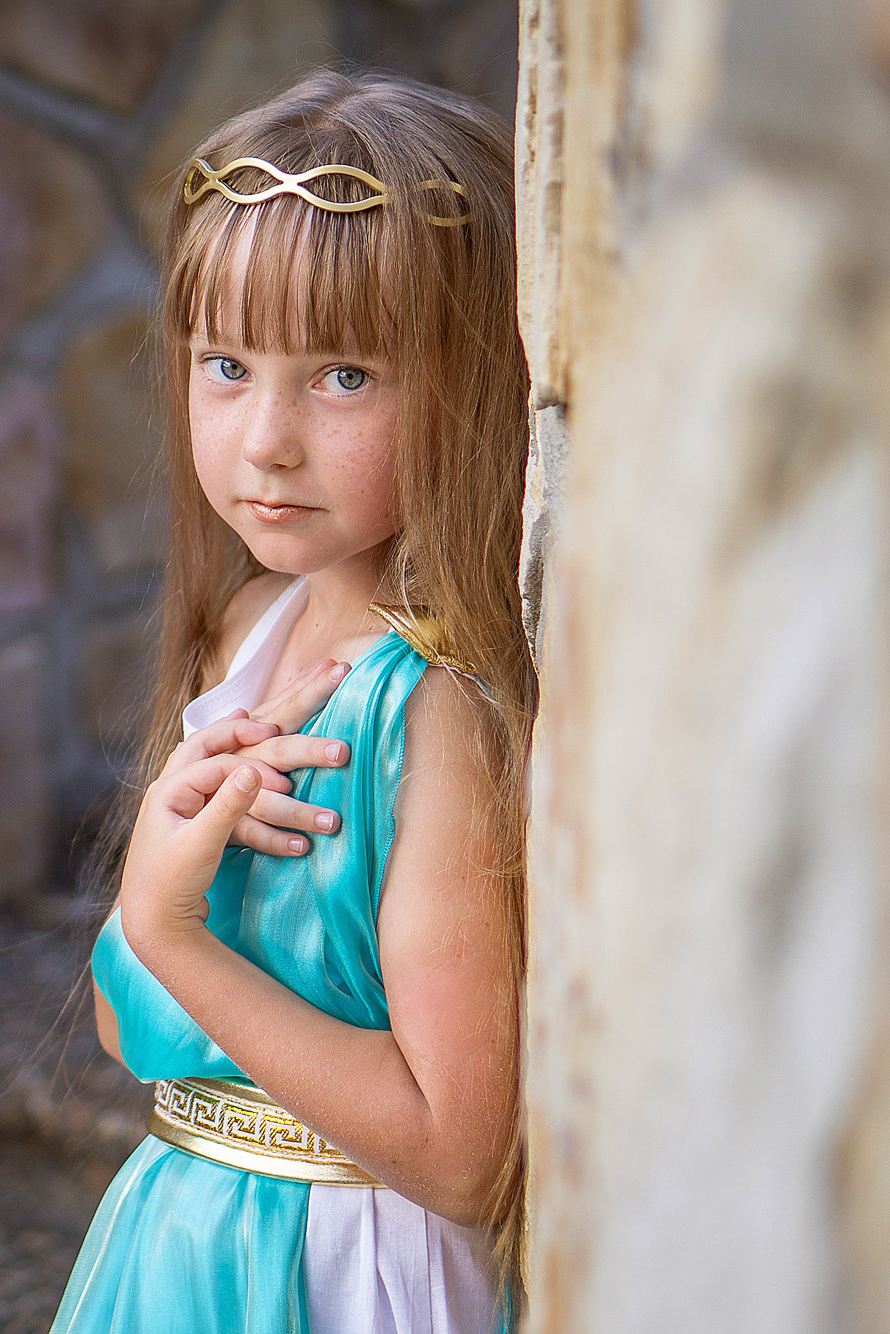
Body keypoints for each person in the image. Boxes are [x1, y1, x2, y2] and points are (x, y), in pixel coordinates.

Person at [51, 67, 533, 1334]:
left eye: (342, 377)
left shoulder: (431, 709)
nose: (263, 437)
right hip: (173, 1247)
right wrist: (157, 911)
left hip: (337, 1273)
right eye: (224, 363)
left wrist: (171, 928)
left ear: (472, 378)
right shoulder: (242, 631)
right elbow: (133, 1030)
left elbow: (456, 1146)